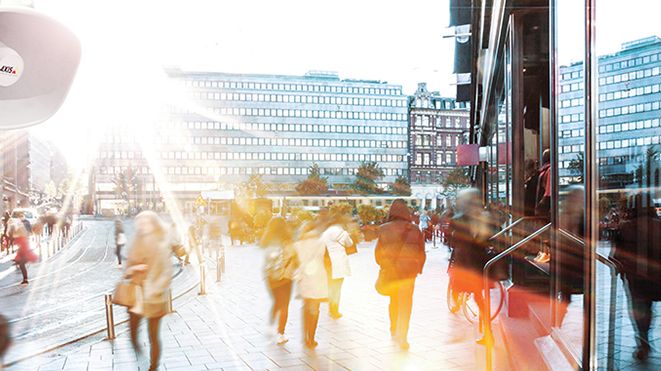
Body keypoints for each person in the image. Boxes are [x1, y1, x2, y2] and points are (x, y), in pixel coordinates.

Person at [612, 193, 660, 361]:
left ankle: (643, 344)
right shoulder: (659, 224)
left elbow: (615, 255)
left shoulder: (625, 227)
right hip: (658, 276)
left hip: (637, 278)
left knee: (640, 311)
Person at [124, 211, 173, 371]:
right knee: (132, 334)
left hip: (155, 297)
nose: (142, 226)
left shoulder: (161, 243)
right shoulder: (136, 241)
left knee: (153, 336)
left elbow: (166, 272)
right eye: (140, 223)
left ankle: (153, 367)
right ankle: (139, 352)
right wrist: (134, 268)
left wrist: (154, 290)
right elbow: (127, 269)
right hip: (136, 295)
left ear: (154, 224)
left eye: (146, 222)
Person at [375, 199, 426, 350]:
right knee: (406, 304)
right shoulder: (415, 229)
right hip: (408, 274)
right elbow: (421, 253)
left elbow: (378, 254)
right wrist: (417, 269)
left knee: (393, 301)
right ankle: (403, 337)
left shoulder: (383, 229)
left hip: (391, 272)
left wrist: (385, 265)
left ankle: (393, 329)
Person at [447, 188, 493, 344]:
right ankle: (488, 333)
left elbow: (453, 242)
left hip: (466, 263)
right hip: (480, 264)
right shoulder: (484, 217)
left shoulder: (459, 219)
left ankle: (487, 334)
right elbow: (487, 239)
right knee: (481, 299)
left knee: (458, 287)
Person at [261, 217, 298, 345]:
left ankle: (270, 327)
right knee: (284, 305)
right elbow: (295, 258)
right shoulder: (288, 242)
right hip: (285, 277)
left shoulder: (267, 242)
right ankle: (280, 333)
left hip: (270, 278)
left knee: (276, 302)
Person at [293, 219, 328, 349]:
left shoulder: (297, 244)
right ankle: (311, 339)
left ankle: (304, 336)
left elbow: (295, 263)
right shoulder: (321, 243)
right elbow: (326, 260)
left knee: (306, 307)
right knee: (315, 309)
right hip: (318, 278)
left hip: (304, 278)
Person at [321, 212, 354, 319]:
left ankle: (331, 308)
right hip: (339, 262)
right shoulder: (342, 232)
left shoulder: (325, 232)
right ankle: (335, 311)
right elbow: (350, 243)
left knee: (331, 286)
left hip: (328, 262)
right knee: (337, 288)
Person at [11, 216, 37, 285]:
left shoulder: (21, 235)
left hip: (26, 252)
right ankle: (25, 279)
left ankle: (25, 279)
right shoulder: (21, 234)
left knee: (22, 264)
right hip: (23, 252)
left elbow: (20, 242)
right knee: (21, 264)